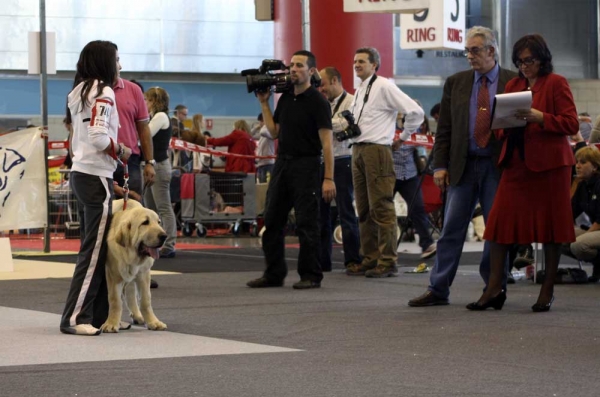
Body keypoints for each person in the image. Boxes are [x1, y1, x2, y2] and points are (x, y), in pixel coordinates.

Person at [467, 34, 579, 312]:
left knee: (551, 230)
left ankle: (547, 290)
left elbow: (571, 123)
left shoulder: (556, 83)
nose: (525, 66)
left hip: (550, 167)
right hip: (516, 163)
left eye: (529, 60)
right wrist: (504, 122)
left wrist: (542, 118)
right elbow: (500, 127)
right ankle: (494, 288)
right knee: (499, 225)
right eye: (520, 61)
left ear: (542, 58)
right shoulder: (513, 84)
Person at [408, 26, 518, 307]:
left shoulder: (513, 82)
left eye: (475, 50)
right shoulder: (456, 82)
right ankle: (438, 288)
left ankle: (493, 288)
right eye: (467, 50)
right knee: (450, 230)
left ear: (491, 51)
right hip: (462, 166)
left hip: (498, 167)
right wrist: (440, 166)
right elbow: (443, 129)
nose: (469, 55)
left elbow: (520, 130)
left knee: (496, 232)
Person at [246, 50, 335, 290]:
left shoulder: (318, 102)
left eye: (298, 65)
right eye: (291, 66)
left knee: (307, 223)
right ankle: (274, 274)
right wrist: (264, 102)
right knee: (272, 219)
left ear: (311, 71)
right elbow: (274, 132)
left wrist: (328, 178)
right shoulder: (284, 98)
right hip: (283, 163)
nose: (292, 69)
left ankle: (311, 275)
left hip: (307, 165)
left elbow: (327, 143)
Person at [60, 40, 132, 336]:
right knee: (92, 252)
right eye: (117, 59)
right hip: (94, 175)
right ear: (106, 62)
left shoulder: (78, 91)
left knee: (100, 249)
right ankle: (75, 318)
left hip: (85, 173)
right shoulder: (102, 93)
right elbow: (99, 137)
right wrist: (122, 150)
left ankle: (102, 315)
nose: (120, 65)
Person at [345, 47, 424, 278]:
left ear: (374, 65)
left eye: (361, 61)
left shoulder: (384, 86)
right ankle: (370, 259)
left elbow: (416, 112)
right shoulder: (360, 89)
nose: (356, 64)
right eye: (355, 61)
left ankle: (388, 261)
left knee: (381, 207)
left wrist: (402, 137)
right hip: (358, 149)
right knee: (363, 209)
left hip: (377, 150)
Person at [317, 66, 362, 271]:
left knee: (346, 213)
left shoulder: (352, 101)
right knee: (321, 215)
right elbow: (335, 124)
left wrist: (320, 123)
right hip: (323, 162)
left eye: (323, 84)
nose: (321, 89)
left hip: (344, 160)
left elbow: (345, 122)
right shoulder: (323, 103)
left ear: (335, 80)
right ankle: (322, 261)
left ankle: (353, 260)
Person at [112, 44, 155, 202]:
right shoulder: (93, 91)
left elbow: (144, 129)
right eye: (116, 60)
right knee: (106, 213)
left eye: (119, 60)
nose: (120, 66)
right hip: (102, 160)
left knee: (134, 209)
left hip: (130, 161)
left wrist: (149, 162)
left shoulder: (134, 90)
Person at [392, 111, 436, 259]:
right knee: (382, 211)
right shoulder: (391, 129)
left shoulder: (417, 133)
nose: (417, 126)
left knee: (418, 208)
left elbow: (422, 150)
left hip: (410, 175)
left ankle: (427, 244)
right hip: (390, 175)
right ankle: (377, 247)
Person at [143, 87, 178, 258]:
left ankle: (170, 244)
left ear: (155, 101)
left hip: (159, 167)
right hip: (154, 166)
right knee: (151, 208)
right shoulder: (156, 117)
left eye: (147, 100)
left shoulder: (160, 117)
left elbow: (145, 135)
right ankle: (154, 243)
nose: (145, 103)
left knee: (163, 207)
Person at [566, 145, 600, 283]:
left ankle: (598, 265)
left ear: (595, 167)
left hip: (598, 227)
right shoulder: (582, 186)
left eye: (583, 162)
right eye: (577, 162)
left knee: (578, 245)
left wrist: (584, 236)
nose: (577, 166)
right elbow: (569, 214)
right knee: (558, 238)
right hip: (595, 229)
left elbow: (599, 222)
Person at [251, 113, 276, 183]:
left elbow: (263, 132)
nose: (260, 123)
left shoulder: (270, 133)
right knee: (261, 186)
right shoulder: (262, 136)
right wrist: (256, 128)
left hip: (268, 164)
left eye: (261, 121)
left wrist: (267, 123)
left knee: (267, 185)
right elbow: (249, 135)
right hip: (261, 164)